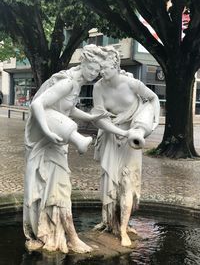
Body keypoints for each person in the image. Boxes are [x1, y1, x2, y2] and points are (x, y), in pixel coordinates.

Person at [23, 44, 106, 254]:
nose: (95, 75)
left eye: (98, 71)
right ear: (84, 62)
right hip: (47, 141)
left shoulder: (76, 84)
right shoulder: (68, 82)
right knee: (59, 188)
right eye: (93, 69)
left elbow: (68, 108)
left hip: (57, 141)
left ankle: (58, 233)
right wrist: (47, 131)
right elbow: (37, 105)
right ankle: (70, 237)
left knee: (59, 189)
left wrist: (91, 117)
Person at [92, 46, 160, 247]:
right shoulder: (98, 87)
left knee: (127, 184)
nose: (101, 72)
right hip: (112, 138)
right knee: (110, 183)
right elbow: (98, 118)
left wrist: (149, 124)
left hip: (133, 140)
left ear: (115, 65)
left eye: (104, 68)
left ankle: (123, 229)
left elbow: (153, 99)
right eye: (99, 68)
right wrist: (120, 132)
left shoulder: (132, 84)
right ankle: (109, 222)